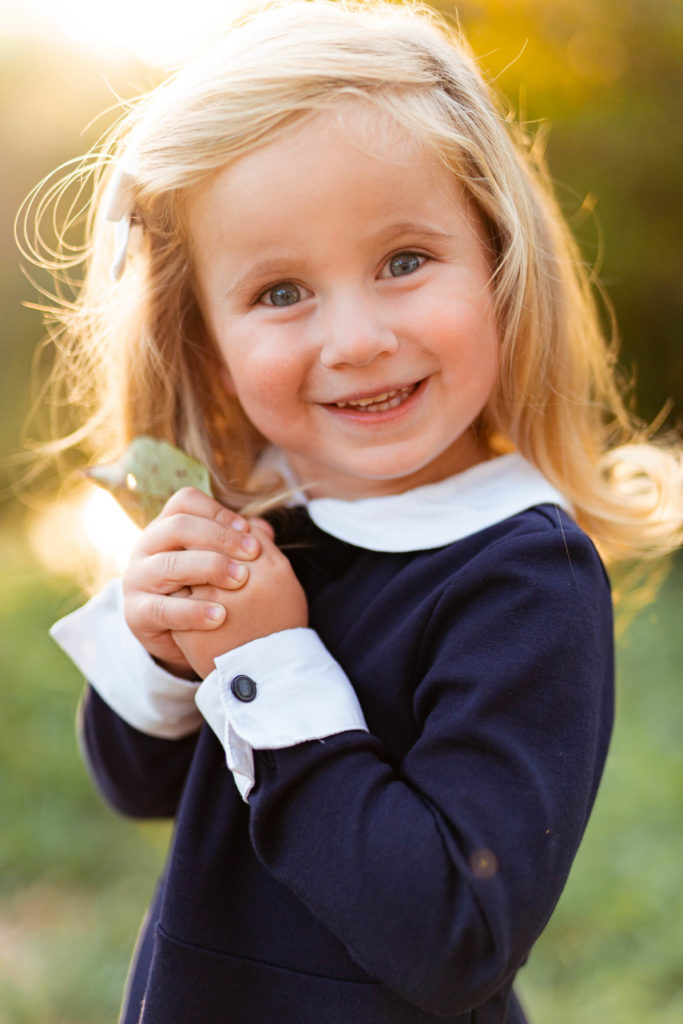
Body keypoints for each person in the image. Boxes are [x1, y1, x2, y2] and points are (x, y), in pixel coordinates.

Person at [27, 1, 680, 1021]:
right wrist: (165, 648)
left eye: (404, 261)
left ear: (499, 266)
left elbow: (453, 934)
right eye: (281, 291)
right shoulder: (263, 519)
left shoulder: (519, 575)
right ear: (208, 342)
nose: (358, 337)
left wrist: (273, 666)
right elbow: (139, 785)